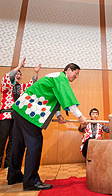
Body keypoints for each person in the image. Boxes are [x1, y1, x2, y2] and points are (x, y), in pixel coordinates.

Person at [7, 63, 87, 191]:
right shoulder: (61, 78)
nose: (76, 76)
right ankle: (31, 181)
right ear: (68, 70)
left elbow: (54, 97)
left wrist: (59, 114)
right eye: (75, 73)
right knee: (35, 143)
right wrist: (80, 116)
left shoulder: (55, 77)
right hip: (28, 112)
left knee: (19, 143)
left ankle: (14, 175)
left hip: (20, 108)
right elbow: (67, 97)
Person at [0, 58, 41, 173]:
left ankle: (8, 164)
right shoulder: (6, 86)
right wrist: (19, 67)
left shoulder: (21, 88)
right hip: (5, 115)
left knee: (13, 141)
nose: (18, 75)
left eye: (20, 74)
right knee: (2, 139)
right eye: (16, 74)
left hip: (17, 116)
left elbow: (31, 84)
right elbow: (7, 77)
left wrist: (36, 72)